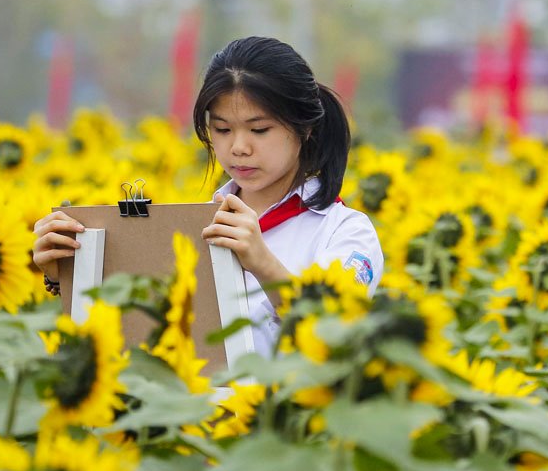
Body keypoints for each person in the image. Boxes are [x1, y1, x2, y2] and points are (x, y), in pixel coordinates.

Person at [33, 36, 384, 356]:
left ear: (305, 129)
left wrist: (263, 264)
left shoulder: (347, 232)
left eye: (259, 129)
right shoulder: (191, 223)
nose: (238, 148)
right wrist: (65, 272)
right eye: (222, 129)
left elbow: (336, 335)